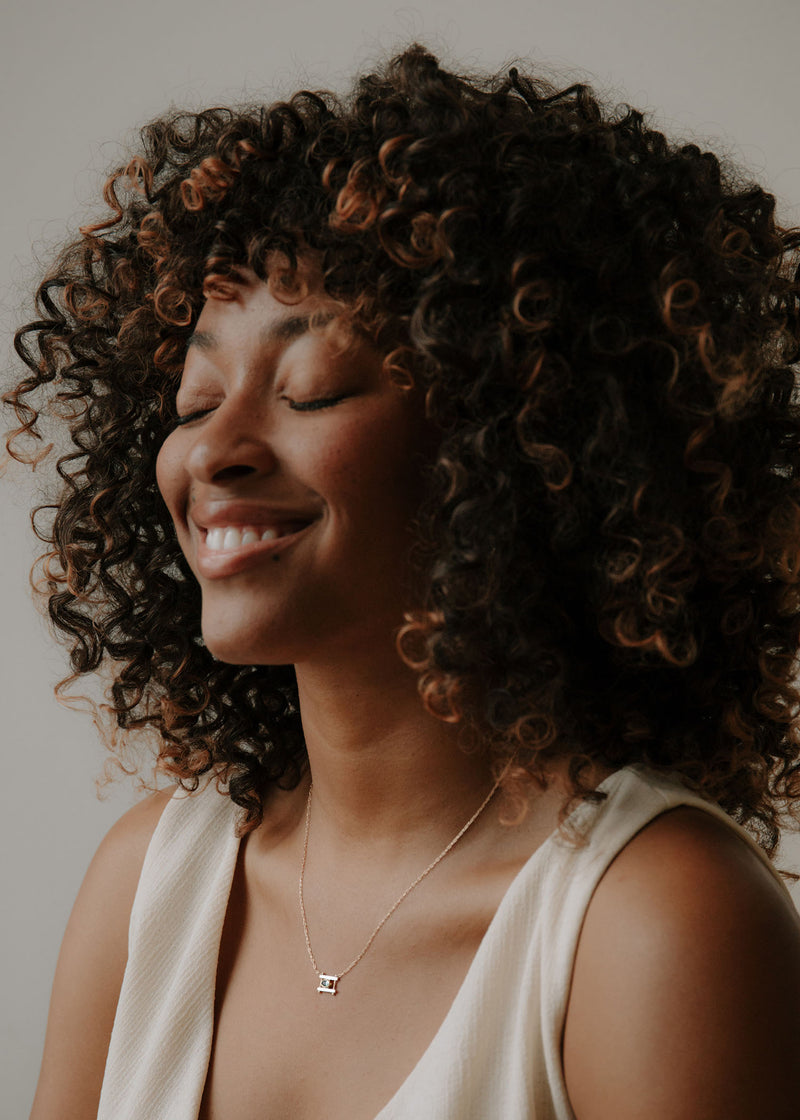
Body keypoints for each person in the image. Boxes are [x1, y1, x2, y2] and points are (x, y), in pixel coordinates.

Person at [7, 42, 800, 1120]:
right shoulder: (151, 884)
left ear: (512, 440)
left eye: (313, 389)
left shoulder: (649, 919)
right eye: (195, 401)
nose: (214, 451)